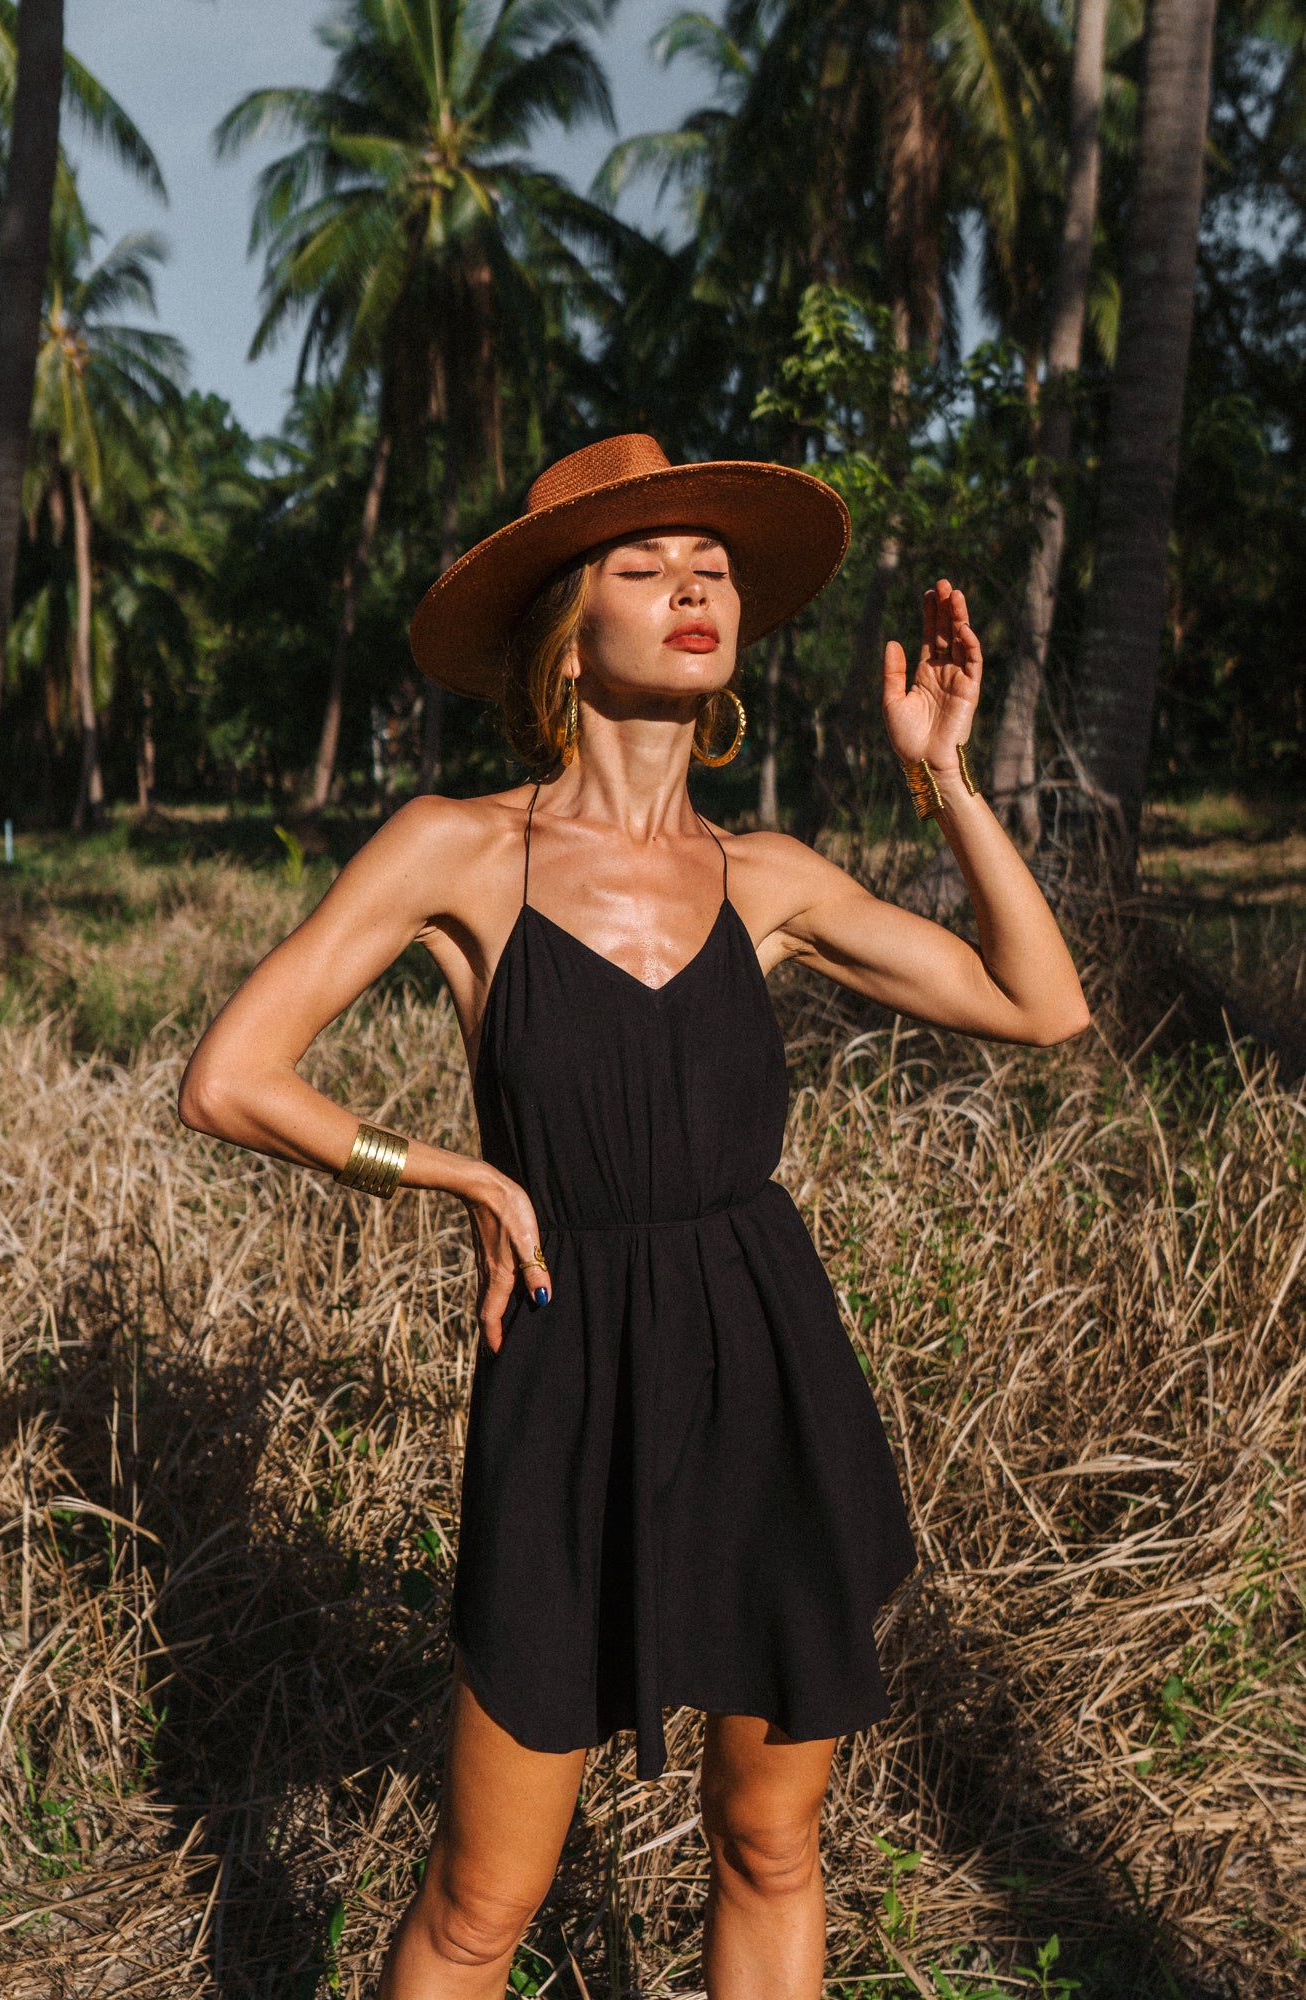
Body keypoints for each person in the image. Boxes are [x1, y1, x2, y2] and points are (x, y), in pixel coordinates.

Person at [179, 434, 1089, 2000]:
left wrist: (940, 778)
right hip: (563, 1375)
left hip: (765, 1362)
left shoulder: (769, 880)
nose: (693, 591)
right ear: (562, 624)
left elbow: (1042, 1004)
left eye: (715, 568)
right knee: (481, 1899)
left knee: (770, 1847)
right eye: (643, 566)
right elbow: (231, 1077)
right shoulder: (457, 848)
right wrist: (444, 1170)